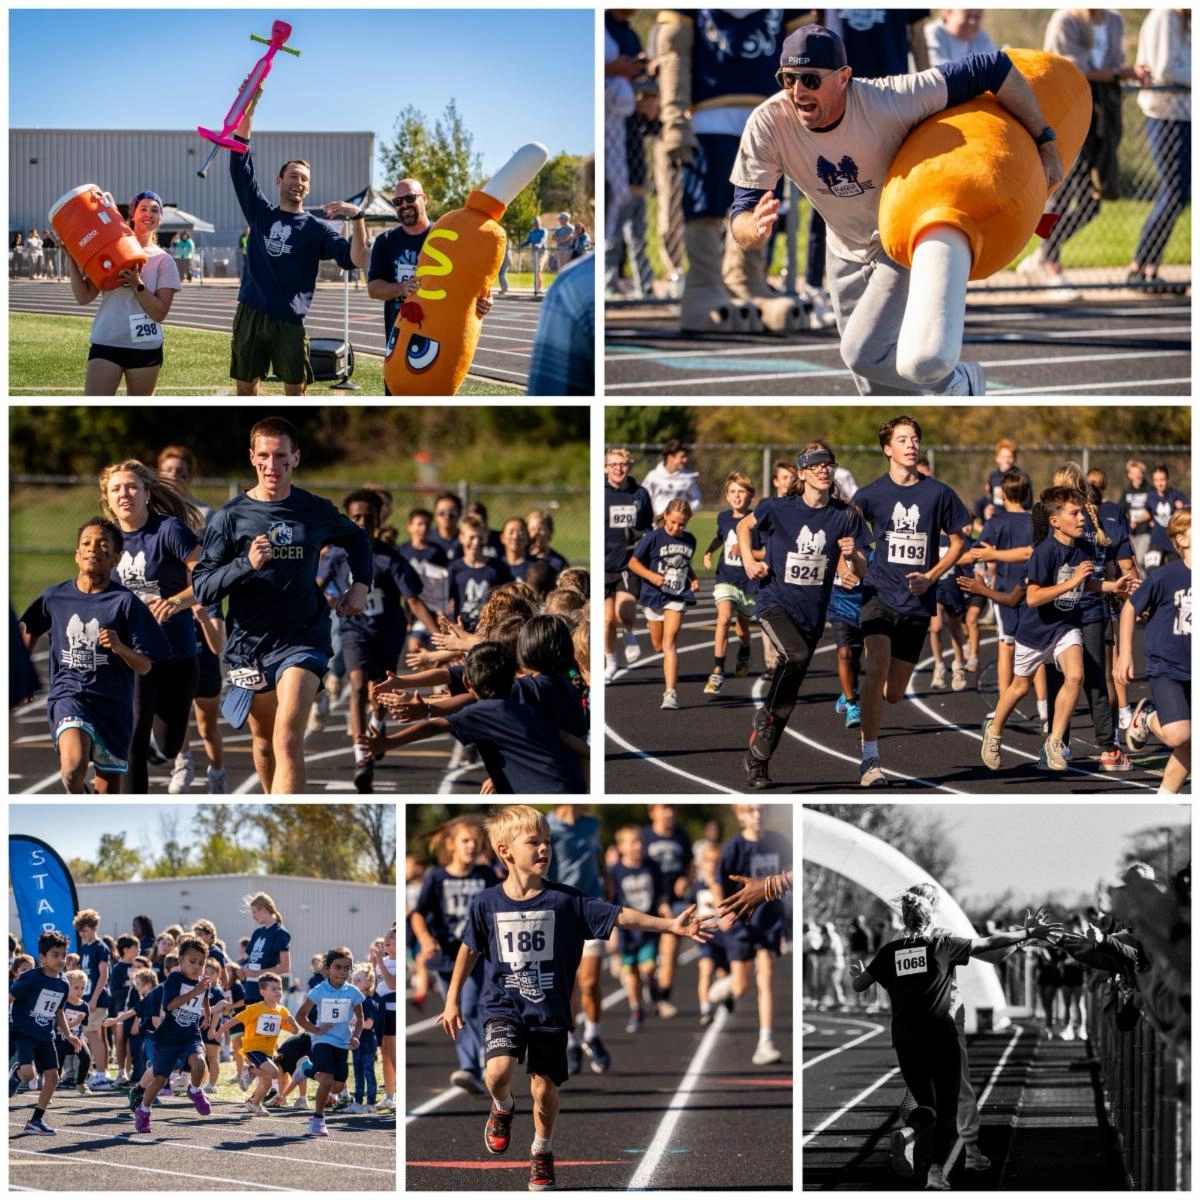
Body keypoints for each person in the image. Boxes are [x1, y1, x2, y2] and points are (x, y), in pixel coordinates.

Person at [730, 24, 1065, 395]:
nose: (797, 91)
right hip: (843, 246)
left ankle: (958, 383)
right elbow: (741, 211)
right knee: (873, 388)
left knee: (862, 353)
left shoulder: (888, 100)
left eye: (810, 79)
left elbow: (992, 67)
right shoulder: (768, 123)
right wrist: (752, 230)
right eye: (787, 78)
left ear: (844, 78)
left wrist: (1045, 140)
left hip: (900, 237)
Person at [438, 804, 715, 1193]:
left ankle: (541, 1151)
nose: (543, 849)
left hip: (550, 1011)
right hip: (504, 1005)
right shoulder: (486, 903)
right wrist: (451, 1000)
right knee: (497, 1073)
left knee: (543, 1090)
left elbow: (621, 916)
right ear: (504, 851)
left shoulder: (566, 900)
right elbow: (469, 949)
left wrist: (670, 925)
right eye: (532, 841)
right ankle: (502, 1108)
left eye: (547, 842)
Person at [191, 417, 372, 794]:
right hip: (250, 646)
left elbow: (357, 539)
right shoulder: (228, 518)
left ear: (296, 458)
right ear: (251, 458)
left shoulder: (314, 509)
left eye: (281, 457)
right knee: (264, 741)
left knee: (288, 738)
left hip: (304, 638)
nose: (272, 466)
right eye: (264, 457)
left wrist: (360, 585)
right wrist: (245, 564)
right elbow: (203, 587)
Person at [849, 888, 1061, 1190]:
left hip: (906, 1035)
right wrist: (1026, 933)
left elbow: (862, 982)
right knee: (950, 1099)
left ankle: (917, 1136)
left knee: (929, 1102)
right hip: (942, 1027)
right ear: (932, 910)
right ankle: (943, 1166)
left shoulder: (891, 948)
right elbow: (990, 946)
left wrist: (859, 974)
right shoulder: (942, 941)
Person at [737, 444, 867, 788]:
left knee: (787, 699)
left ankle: (758, 761)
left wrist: (852, 561)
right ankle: (764, 720)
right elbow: (743, 528)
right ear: (803, 473)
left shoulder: (845, 515)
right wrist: (750, 560)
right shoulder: (778, 508)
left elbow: (861, 567)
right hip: (774, 601)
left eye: (829, 465)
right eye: (817, 466)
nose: (824, 470)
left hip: (812, 613)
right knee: (795, 655)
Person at [851, 417, 971, 787]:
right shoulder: (869, 495)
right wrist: (849, 564)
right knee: (877, 666)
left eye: (915, 439)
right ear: (888, 449)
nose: (911, 444)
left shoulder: (938, 493)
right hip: (879, 593)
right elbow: (848, 536)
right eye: (903, 439)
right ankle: (870, 759)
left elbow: (959, 542)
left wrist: (931, 577)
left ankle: (872, 694)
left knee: (895, 692)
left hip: (918, 603)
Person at [981, 486, 1135, 773]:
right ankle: (994, 729)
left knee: (1076, 675)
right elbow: (1033, 597)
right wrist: (1070, 582)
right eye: (1074, 514)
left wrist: (1112, 586)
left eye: (1081, 513)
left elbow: (1085, 583)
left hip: (1066, 626)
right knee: (1020, 687)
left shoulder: (1083, 548)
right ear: (1055, 521)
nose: (1082, 519)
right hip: (1036, 631)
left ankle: (1054, 741)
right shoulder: (1045, 552)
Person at [227, 97, 366, 395]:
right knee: (245, 388)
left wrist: (358, 217)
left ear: (309, 188)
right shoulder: (261, 213)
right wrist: (250, 104)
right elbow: (240, 161)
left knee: (296, 390)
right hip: (251, 311)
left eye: (304, 179)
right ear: (279, 181)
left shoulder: (318, 229)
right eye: (293, 175)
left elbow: (354, 260)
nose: (298, 182)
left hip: (289, 320)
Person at [20, 518, 170, 792]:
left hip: (113, 707)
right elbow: (29, 628)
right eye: (86, 544)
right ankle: (79, 790)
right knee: (73, 770)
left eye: (103, 545)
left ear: (115, 558)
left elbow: (146, 666)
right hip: (70, 696)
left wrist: (120, 648)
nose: (93, 549)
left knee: (108, 793)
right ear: (77, 555)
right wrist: (21, 674)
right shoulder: (55, 597)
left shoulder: (125, 603)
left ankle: (89, 796)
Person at [1018, 10, 1147, 299]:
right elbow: (1071, 69)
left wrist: (1113, 73)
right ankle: (1050, 263)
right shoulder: (1067, 21)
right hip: (1069, 115)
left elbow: (1108, 64)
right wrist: (1119, 74)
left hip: (1102, 118)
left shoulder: (1115, 21)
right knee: (1062, 194)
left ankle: (1042, 256)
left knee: (1093, 201)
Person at [99, 459, 205, 793]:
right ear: (107, 498)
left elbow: (207, 577)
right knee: (132, 740)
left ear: (146, 492)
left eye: (132, 486)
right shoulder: (104, 538)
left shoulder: (168, 530)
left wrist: (175, 602)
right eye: (116, 488)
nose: (124, 494)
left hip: (176, 653)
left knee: (169, 745)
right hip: (130, 655)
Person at [329, 488, 438, 793]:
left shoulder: (391, 559)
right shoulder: (338, 555)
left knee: (380, 693)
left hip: (387, 633)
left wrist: (437, 636)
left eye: (368, 517)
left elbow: (414, 600)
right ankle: (362, 755)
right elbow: (314, 585)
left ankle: (377, 724)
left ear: (379, 520)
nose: (362, 521)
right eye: (356, 517)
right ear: (347, 520)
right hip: (354, 631)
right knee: (358, 684)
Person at [156, 444, 228, 794]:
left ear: (189, 478)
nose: (173, 477)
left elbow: (211, 566)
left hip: (197, 605)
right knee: (173, 707)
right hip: (166, 614)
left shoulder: (205, 515)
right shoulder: (148, 517)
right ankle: (182, 761)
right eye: (167, 470)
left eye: (180, 472)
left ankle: (217, 773)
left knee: (206, 720)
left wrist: (198, 600)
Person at [411, 818, 496, 1094]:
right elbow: (418, 914)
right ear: (451, 845)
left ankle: (477, 1062)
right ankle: (471, 1065)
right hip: (445, 956)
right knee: (454, 1011)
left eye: (475, 842)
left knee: (470, 1007)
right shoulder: (437, 877)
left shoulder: (485, 875)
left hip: (477, 954)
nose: (471, 846)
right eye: (465, 841)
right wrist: (425, 940)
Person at [66, 191, 180, 396]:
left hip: (145, 347)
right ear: (132, 213)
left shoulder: (165, 261)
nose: (149, 213)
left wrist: (137, 284)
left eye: (155, 210)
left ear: (160, 218)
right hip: (107, 341)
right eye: (143, 208)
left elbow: (160, 313)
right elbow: (84, 297)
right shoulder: (111, 248)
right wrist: (71, 258)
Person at [710, 804, 791, 1065]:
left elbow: (790, 873)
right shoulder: (734, 847)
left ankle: (765, 1042)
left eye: (761, 811)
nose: (757, 816)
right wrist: (722, 911)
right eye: (751, 811)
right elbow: (717, 882)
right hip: (741, 924)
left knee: (766, 979)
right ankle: (724, 987)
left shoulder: (778, 842)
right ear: (740, 815)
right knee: (741, 987)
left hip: (768, 921)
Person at [368, 177, 493, 346]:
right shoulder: (385, 241)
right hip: (400, 334)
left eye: (410, 198)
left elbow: (468, 277)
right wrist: (401, 288)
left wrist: (485, 298)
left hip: (440, 332)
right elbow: (373, 288)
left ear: (424, 199)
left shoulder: (446, 237)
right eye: (398, 201)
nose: (404, 205)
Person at [1119, 507, 1190, 794]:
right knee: (1179, 734)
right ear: (1182, 539)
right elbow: (1130, 608)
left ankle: (1164, 799)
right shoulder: (1166, 576)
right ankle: (1147, 715)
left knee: (1191, 743)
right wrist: (1125, 654)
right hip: (1168, 667)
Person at [1129, 10, 1191, 287]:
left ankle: (1150, 269)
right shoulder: (1165, 17)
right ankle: (1139, 266)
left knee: (1178, 195)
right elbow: (1164, 69)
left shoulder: (1185, 20)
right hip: (1165, 115)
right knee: (1174, 192)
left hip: (1183, 115)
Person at [133, 935, 214, 1133]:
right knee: (160, 1079)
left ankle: (195, 1090)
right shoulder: (174, 979)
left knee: (200, 1063)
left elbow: (204, 998)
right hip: (168, 1038)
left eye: (202, 963)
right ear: (180, 961)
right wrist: (195, 991)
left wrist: (208, 1013)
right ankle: (144, 1110)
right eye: (193, 962)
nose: (197, 967)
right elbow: (170, 1006)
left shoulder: (201, 982)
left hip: (190, 1034)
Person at [627, 498, 699, 711]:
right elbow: (633, 562)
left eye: (681, 524)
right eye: (673, 523)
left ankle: (670, 693)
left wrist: (693, 578)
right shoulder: (653, 538)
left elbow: (685, 565)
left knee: (669, 643)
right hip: (653, 595)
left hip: (677, 596)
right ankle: (669, 684)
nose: (677, 528)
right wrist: (651, 576)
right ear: (666, 516)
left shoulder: (690, 540)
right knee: (658, 645)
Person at [9, 930, 82, 1135]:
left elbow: (59, 1011)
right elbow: (9, 997)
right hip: (25, 1032)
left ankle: (36, 1120)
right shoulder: (31, 978)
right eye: (55, 955)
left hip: (46, 1035)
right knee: (28, 1074)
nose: (60, 960)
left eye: (63, 955)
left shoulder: (63, 983)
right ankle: (16, 1073)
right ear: (42, 957)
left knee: (52, 1078)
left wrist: (68, 1034)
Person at [295, 947, 365, 1137]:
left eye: (346, 968)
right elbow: (300, 1016)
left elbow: (359, 1018)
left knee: (337, 1086)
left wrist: (356, 1036)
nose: (342, 972)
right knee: (326, 1079)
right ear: (327, 969)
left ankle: (306, 1069)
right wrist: (315, 1029)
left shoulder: (353, 992)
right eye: (338, 967)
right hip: (322, 1040)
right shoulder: (319, 991)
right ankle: (318, 1119)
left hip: (342, 1043)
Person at [609, 826, 670, 1032]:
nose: (638, 846)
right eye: (632, 842)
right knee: (630, 973)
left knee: (648, 967)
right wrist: (612, 933)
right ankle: (636, 1009)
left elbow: (660, 894)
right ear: (621, 847)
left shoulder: (651, 866)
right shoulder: (615, 871)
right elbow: (611, 902)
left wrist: (665, 909)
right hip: (627, 932)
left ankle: (651, 980)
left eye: (640, 842)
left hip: (648, 928)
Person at [702, 471, 757, 695]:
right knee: (723, 619)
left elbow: (765, 550)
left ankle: (745, 648)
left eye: (741, 492)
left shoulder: (756, 520)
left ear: (750, 496)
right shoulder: (723, 518)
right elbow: (720, 536)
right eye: (732, 492)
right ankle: (717, 670)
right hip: (726, 578)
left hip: (749, 582)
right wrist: (709, 551)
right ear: (726, 496)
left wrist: (747, 552)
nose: (737, 496)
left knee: (742, 629)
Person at [215, 970, 298, 1116]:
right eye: (273, 989)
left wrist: (293, 1022)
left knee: (266, 1083)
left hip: (268, 1051)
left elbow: (295, 1031)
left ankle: (253, 1103)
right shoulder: (255, 1008)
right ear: (263, 992)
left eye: (279, 988)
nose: (278, 991)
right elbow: (234, 1021)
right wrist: (219, 1032)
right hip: (253, 1048)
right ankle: (250, 1071)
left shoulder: (282, 1011)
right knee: (274, 1072)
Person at [603, 448, 653, 681]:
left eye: (622, 464)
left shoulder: (640, 494)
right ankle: (611, 661)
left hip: (627, 563)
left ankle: (629, 632)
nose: (618, 469)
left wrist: (641, 538)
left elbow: (647, 525)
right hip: (604, 563)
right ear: (605, 468)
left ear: (629, 466)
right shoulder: (600, 494)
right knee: (606, 620)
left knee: (625, 611)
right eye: (613, 464)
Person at [642, 804, 692, 1018]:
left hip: (674, 903)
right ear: (652, 812)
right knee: (646, 961)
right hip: (647, 903)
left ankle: (663, 998)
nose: (670, 813)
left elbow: (690, 866)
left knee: (671, 951)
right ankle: (651, 979)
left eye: (672, 808)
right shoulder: (644, 836)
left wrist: (685, 879)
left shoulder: (682, 835)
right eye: (664, 809)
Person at [526, 250, 595, 395]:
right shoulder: (573, 286)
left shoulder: (571, 285)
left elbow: (547, 394)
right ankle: (537, 287)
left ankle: (537, 287)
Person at [73, 908, 112, 1089]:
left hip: (97, 998)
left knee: (92, 1035)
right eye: (80, 930)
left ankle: (102, 1074)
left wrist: (94, 998)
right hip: (87, 997)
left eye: (85, 930)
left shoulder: (101, 947)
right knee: (92, 1035)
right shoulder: (84, 947)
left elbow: (103, 975)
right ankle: (99, 1072)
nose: (83, 933)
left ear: (94, 927)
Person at [238, 893, 292, 1009]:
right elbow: (250, 960)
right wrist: (242, 970)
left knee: (262, 1027)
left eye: (254, 912)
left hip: (267, 994)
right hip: (250, 991)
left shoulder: (280, 933)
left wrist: (257, 973)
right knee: (250, 1028)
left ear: (263, 910)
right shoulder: (257, 933)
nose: (253, 916)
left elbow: (285, 967)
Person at [640, 438, 702, 517]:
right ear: (670, 457)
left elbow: (697, 498)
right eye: (682, 457)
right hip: (656, 526)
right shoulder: (653, 477)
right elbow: (642, 498)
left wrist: (686, 510)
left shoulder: (687, 477)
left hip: (678, 527)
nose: (685, 460)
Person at [1147, 464, 1189, 570]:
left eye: (1162, 479)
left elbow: (1188, 513)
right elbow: (1147, 512)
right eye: (1156, 480)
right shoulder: (1150, 497)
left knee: (1175, 571)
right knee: (1151, 568)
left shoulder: (1177, 496)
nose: (1159, 483)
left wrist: (1182, 508)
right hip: (1157, 540)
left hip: (1173, 542)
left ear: (1168, 479)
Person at [924, 10, 996, 66]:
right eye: (967, 16)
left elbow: (994, 63)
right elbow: (939, 70)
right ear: (949, 13)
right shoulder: (933, 33)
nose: (972, 22)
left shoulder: (981, 36)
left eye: (977, 17)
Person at [516, 217, 546, 297]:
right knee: (536, 270)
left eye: (537, 222)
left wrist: (539, 244)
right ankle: (537, 287)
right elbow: (528, 241)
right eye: (535, 222)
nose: (536, 224)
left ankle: (538, 288)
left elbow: (543, 239)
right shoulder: (532, 232)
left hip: (541, 252)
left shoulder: (543, 230)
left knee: (538, 269)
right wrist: (520, 245)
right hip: (534, 252)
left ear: (540, 222)